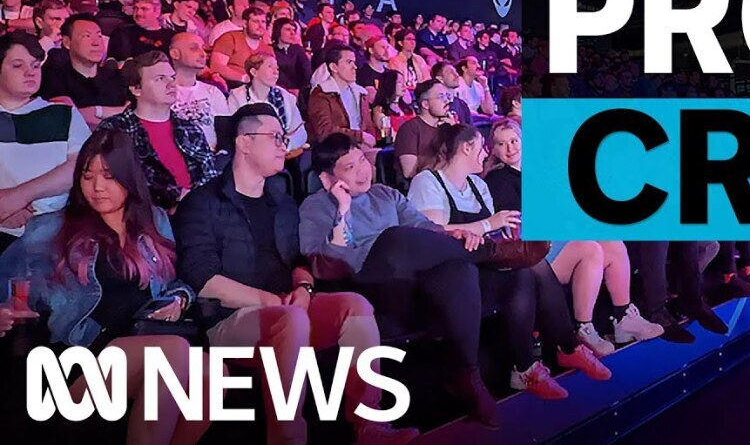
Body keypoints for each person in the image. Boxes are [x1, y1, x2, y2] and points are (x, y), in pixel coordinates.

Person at [173, 104, 418, 445]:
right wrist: (270, 301)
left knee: (355, 305)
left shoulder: (282, 203)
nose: (283, 146)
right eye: (275, 137)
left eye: (283, 138)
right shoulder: (203, 203)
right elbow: (203, 279)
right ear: (244, 143)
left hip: (286, 309)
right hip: (229, 320)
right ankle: (288, 438)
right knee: (291, 319)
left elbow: (298, 261)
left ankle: (369, 424)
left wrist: (303, 286)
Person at [0, 128, 218, 444]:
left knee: (212, 374)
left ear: (129, 178)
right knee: (172, 353)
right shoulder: (52, 228)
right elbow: (7, 280)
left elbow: (174, 282)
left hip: (140, 344)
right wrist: (4, 309)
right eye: (87, 177)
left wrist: (178, 300)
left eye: (109, 176)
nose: (97, 187)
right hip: (78, 356)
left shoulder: (154, 220)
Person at [299, 133, 506, 425]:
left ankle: (468, 375)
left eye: (362, 161)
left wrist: (454, 234)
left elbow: (424, 229)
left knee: (460, 271)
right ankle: (494, 253)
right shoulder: (315, 206)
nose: (362, 171)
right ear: (326, 178)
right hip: (365, 285)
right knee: (394, 238)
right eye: (350, 167)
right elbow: (324, 264)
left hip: (411, 283)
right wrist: (343, 210)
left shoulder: (385, 194)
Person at [408, 123, 611, 399]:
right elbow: (433, 233)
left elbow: (494, 234)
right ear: (466, 148)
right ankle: (565, 348)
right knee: (530, 267)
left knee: (527, 268)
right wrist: (486, 224)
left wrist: (503, 231)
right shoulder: (428, 182)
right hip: (451, 274)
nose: (486, 154)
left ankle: (531, 366)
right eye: (483, 147)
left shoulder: (478, 184)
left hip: (484, 262)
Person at [484, 119, 663, 355]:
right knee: (590, 249)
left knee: (611, 242)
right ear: (494, 150)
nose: (510, 148)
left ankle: (624, 318)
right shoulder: (498, 180)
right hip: (535, 254)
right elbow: (521, 226)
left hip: (559, 237)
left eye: (514, 141)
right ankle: (583, 328)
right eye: (501, 144)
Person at [98, 51, 219, 210]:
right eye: (160, 79)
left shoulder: (190, 129)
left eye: (172, 77)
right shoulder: (115, 129)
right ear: (136, 89)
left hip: (199, 210)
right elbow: (122, 181)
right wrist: (176, 197)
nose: (171, 84)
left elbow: (210, 176)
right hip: (145, 213)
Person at [0, 32, 90, 244]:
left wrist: (19, 196)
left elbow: (81, 165)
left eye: (35, 65)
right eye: (17, 65)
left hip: (52, 232)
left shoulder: (63, 114)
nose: (30, 72)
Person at [40, 14, 128, 129]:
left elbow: (130, 114)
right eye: (87, 36)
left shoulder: (116, 78)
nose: (96, 43)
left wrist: (94, 111)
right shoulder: (54, 79)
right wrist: (107, 112)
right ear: (67, 42)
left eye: (99, 36)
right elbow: (63, 117)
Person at [227, 52, 307, 151]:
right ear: (254, 72)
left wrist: (285, 145)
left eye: (277, 68)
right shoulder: (236, 97)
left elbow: (300, 133)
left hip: (282, 151)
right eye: (270, 67)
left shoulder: (286, 97)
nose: (276, 72)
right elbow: (231, 132)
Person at [307, 46, 378, 152]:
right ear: (334, 67)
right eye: (349, 62)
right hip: (335, 150)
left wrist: (370, 139)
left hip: (360, 147)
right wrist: (360, 136)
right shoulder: (322, 94)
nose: (355, 67)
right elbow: (324, 131)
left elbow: (368, 125)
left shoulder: (360, 93)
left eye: (354, 62)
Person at [169, 33, 230, 150]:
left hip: (212, 156)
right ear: (175, 54)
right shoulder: (162, 92)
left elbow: (225, 134)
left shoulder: (213, 91)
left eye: (203, 49)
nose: (203, 54)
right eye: (194, 48)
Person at [394, 80, 452, 180]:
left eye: (447, 96)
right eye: (441, 97)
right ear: (425, 104)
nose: (447, 101)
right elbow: (409, 172)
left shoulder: (446, 127)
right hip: (425, 184)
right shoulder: (410, 129)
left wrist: (455, 132)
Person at [211, 6, 273, 86]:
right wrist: (244, 78)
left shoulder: (267, 49)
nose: (260, 25)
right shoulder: (229, 38)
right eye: (255, 21)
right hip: (233, 85)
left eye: (263, 22)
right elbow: (217, 66)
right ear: (245, 24)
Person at [107, 0, 177, 60]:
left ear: (157, 11)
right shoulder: (123, 32)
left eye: (144, 9)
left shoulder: (172, 37)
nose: (138, 13)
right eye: (135, 8)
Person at [271, 17, 312, 95]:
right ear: (278, 31)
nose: (292, 33)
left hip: (296, 93)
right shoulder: (269, 49)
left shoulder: (298, 50)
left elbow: (307, 73)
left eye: (294, 30)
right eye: (288, 29)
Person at [368, 69, 415, 137]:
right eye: (399, 82)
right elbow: (384, 134)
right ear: (390, 84)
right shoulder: (380, 109)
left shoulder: (408, 109)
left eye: (404, 82)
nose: (403, 86)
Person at [430, 61, 473, 125]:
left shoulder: (461, 104)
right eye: (450, 72)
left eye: (456, 71)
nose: (456, 75)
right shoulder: (436, 105)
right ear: (440, 78)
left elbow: (470, 128)